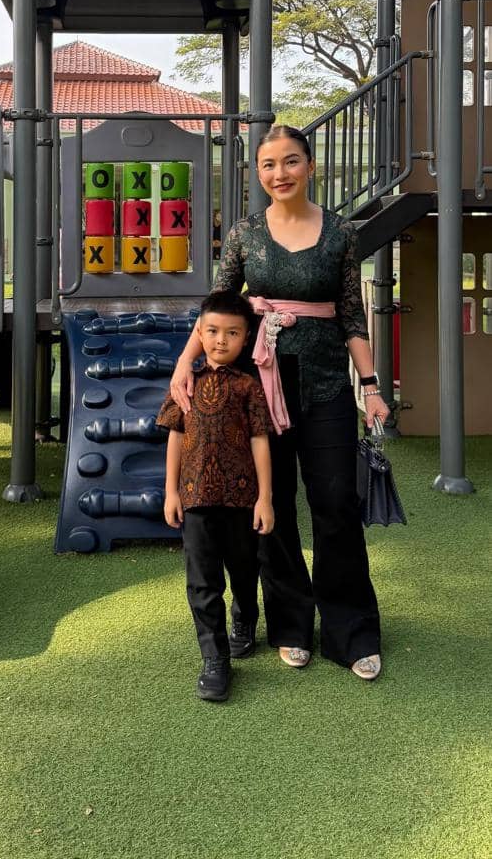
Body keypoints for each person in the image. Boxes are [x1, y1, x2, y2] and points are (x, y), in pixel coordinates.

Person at [169, 125, 390, 682]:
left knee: (336, 501)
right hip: (260, 386)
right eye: (268, 165)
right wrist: (185, 364)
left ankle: (351, 632)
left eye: (290, 162)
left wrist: (370, 386)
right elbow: (218, 306)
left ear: (309, 166)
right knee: (275, 506)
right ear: (258, 174)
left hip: (325, 383)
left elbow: (351, 315)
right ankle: (291, 626)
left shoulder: (341, 233)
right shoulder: (244, 233)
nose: (280, 173)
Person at [156, 290, 274, 702]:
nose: (221, 340)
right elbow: (175, 437)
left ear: (246, 338)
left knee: (243, 569)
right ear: (200, 334)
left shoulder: (249, 387)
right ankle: (215, 659)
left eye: (232, 333)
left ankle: (245, 617)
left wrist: (265, 498)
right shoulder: (185, 384)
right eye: (212, 331)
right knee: (202, 581)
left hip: (241, 500)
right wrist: (171, 492)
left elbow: (260, 440)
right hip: (195, 499)